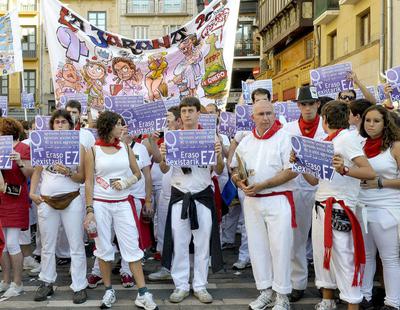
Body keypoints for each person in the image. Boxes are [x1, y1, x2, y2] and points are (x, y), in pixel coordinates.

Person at [302, 101, 376, 310]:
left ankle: (353, 303)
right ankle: (327, 299)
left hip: (339, 206)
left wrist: (344, 170)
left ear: (324, 120)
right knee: (321, 254)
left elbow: (369, 172)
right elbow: (314, 181)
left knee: (344, 257)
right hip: (321, 203)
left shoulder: (346, 140)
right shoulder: (325, 141)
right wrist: (301, 164)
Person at [84, 111, 157, 310]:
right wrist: (89, 209)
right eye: (118, 124)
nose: (122, 127)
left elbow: (137, 174)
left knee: (132, 246)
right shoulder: (92, 150)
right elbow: (89, 181)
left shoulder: (125, 146)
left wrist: (125, 183)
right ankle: (108, 290)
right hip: (100, 204)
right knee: (103, 248)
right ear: (108, 126)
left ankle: (143, 293)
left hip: (123, 202)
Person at [231, 100, 298, 310]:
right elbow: (234, 170)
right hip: (252, 200)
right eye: (261, 114)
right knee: (257, 247)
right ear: (253, 117)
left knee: (281, 247)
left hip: (278, 198)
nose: (266, 117)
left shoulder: (285, 138)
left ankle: (282, 296)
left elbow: (292, 170)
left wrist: (264, 184)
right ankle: (265, 291)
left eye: (269, 113)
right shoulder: (246, 141)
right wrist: (240, 183)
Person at [160, 96, 224, 304]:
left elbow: (220, 170)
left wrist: (219, 154)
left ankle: (200, 285)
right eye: (184, 111)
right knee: (179, 242)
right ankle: (180, 285)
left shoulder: (210, 138)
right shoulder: (172, 137)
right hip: (180, 195)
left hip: (202, 195)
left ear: (198, 113)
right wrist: (163, 155)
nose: (187, 115)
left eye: (191, 111)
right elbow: (163, 169)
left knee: (202, 243)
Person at [29, 110, 88, 304]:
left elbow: (83, 177)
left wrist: (69, 172)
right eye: (57, 122)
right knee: (47, 244)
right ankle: (46, 281)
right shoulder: (44, 145)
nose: (60, 125)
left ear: (71, 126)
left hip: (72, 199)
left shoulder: (78, 147)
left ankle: (79, 285)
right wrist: (32, 192)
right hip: (47, 200)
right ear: (52, 126)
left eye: (64, 122)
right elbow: (37, 170)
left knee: (76, 244)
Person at [283, 86, 327, 302]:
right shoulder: (288, 128)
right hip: (298, 186)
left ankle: (324, 283)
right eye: (303, 104)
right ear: (298, 106)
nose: (308, 108)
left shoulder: (326, 127)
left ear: (318, 104)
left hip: (323, 187)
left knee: (323, 239)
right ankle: (297, 282)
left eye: (311, 103)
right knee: (297, 238)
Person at [358, 106, 400, 310]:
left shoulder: (396, 146)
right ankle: (364, 296)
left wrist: (382, 183)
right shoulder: (358, 145)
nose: (371, 125)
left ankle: (393, 302)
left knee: (389, 257)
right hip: (363, 207)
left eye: (376, 121)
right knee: (364, 256)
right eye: (367, 120)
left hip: (387, 208)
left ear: (386, 123)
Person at [0, 117, 33, 298]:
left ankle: (18, 283)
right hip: (1, 197)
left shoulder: (23, 148)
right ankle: (5, 281)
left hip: (16, 198)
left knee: (12, 242)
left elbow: (29, 173)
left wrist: (20, 161)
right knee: (2, 245)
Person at [148, 106, 182, 281]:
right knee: (164, 230)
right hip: (167, 190)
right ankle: (166, 267)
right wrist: (154, 142)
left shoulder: (187, 136)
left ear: (178, 120)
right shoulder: (166, 137)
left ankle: (182, 269)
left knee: (180, 233)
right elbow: (160, 162)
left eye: (168, 117)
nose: (165, 120)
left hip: (183, 193)